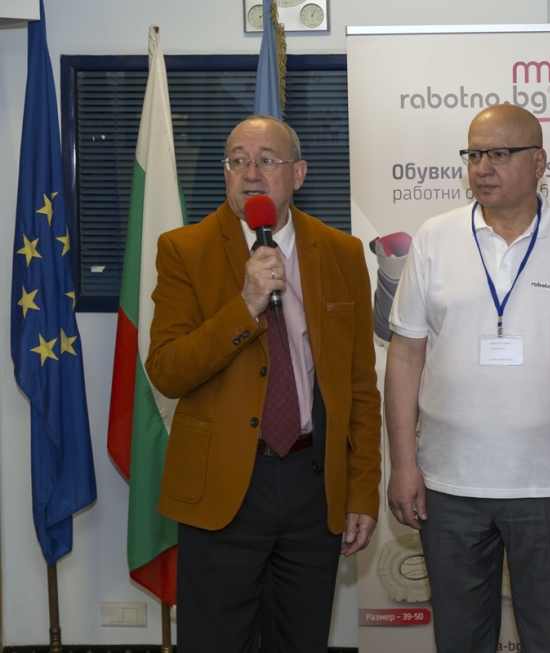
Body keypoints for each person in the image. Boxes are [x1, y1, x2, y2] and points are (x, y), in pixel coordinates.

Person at [384, 104, 550, 652]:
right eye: (473, 154)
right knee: (460, 640)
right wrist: (402, 465)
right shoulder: (435, 237)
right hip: (448, 485)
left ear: (539, 162)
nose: (482, 168)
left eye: (498, 154)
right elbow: (404, 357)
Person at [144, 115, 382, 653]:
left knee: (301, 640)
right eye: (238, 160)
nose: (251, 172)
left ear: (298, 174)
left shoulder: (342, 252)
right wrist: (245, 305)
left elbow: (359, 389)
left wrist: (362, 491)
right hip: (224, 484)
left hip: (312, 483)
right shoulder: (184, 249)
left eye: (267, 160)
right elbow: (167, 369)